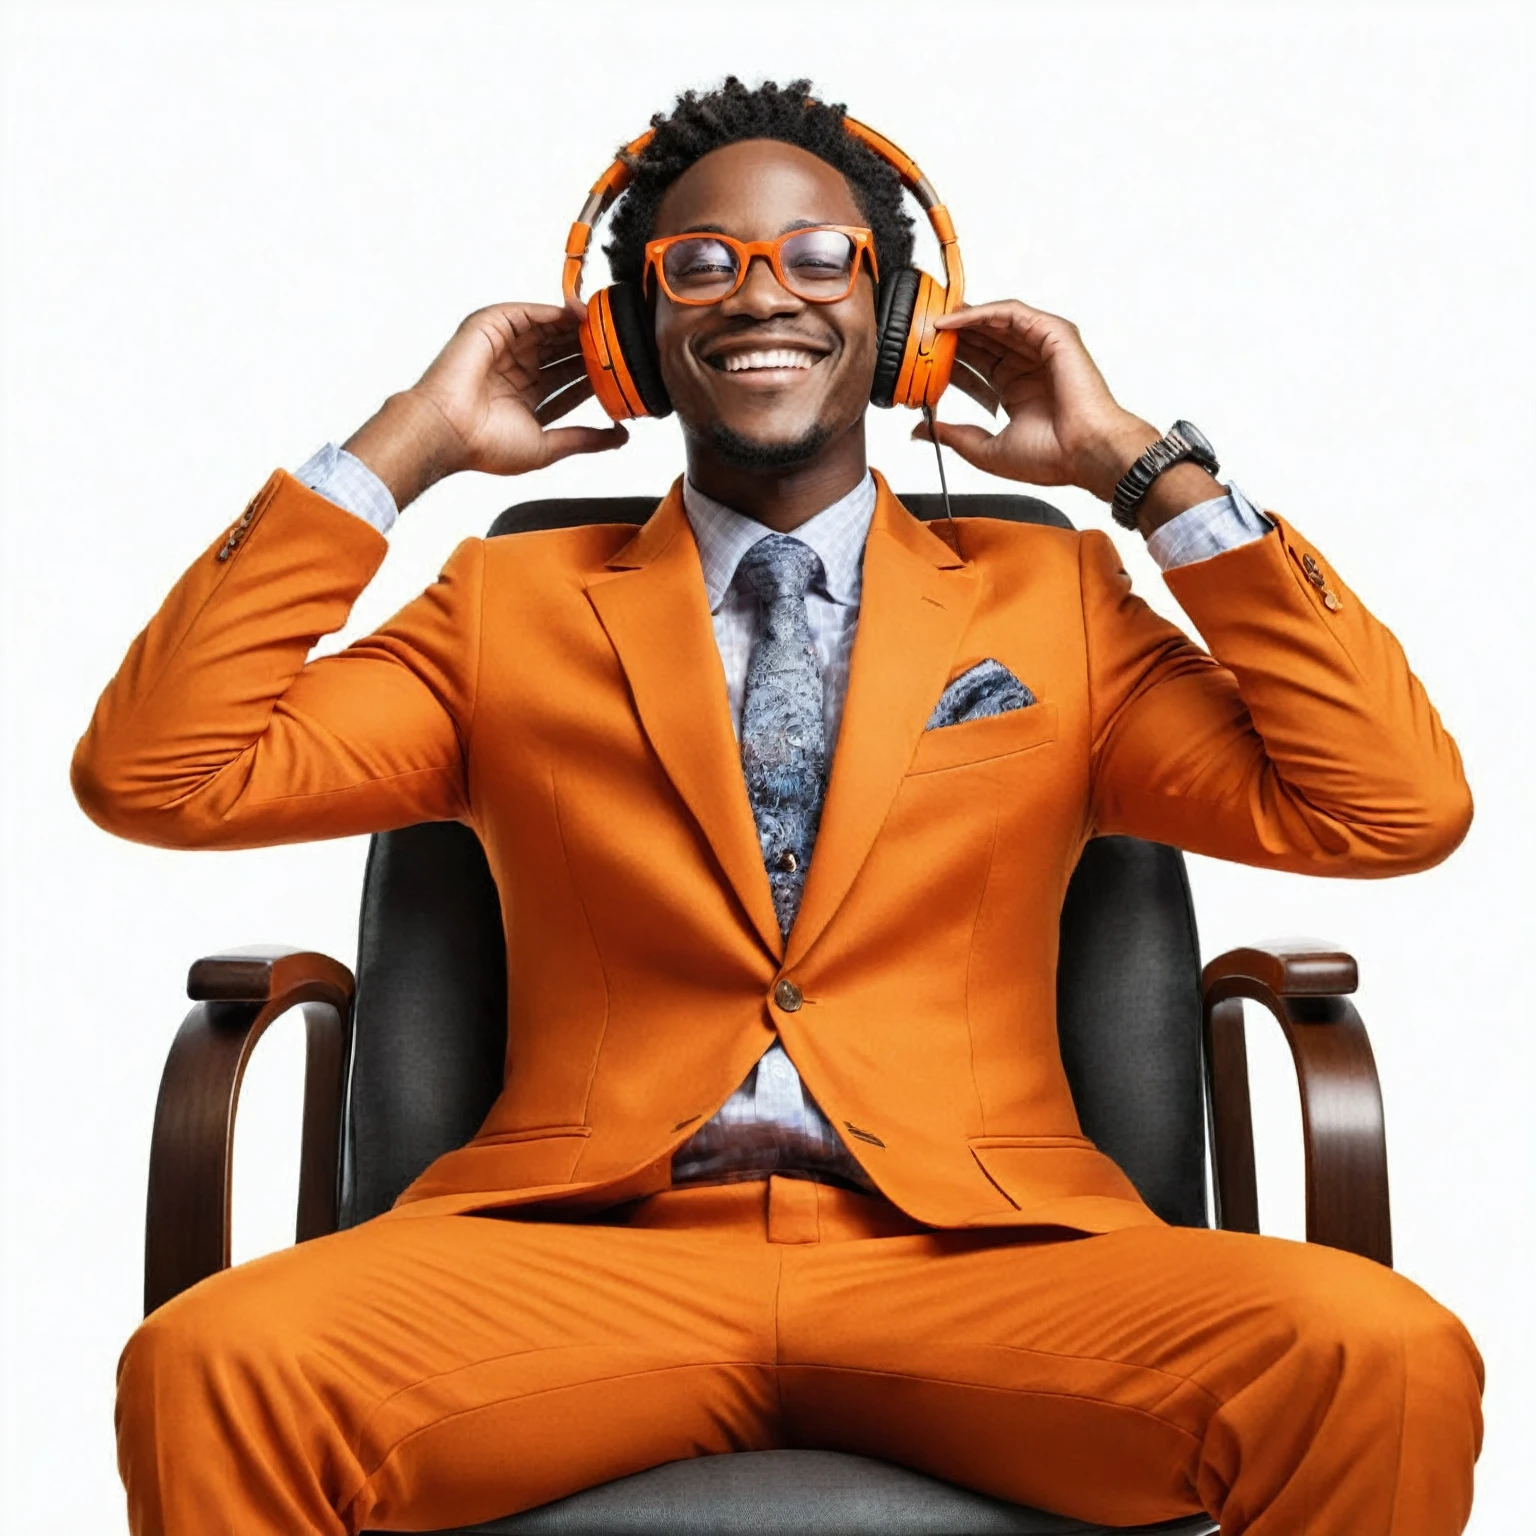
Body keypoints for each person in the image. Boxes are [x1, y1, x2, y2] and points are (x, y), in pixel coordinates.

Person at [73, 76, 1482, 1536]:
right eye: (700, 262)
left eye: (819, 258)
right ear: (628, 336)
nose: (763, 296)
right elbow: (158, 774)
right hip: (587, 1257)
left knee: (1379, 1354)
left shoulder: (1051, 596)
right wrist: (401, 450)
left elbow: (1389, 809)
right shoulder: (508, 604)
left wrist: (1144, 471)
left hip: (983, 1267)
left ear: (903, 320)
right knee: (212, 1364)